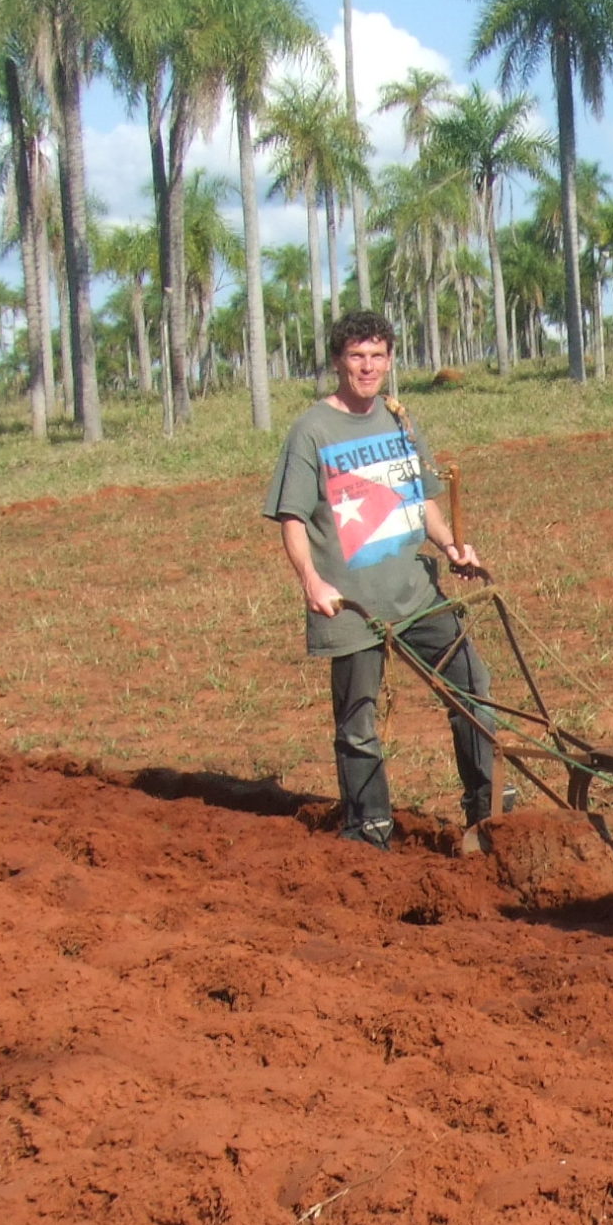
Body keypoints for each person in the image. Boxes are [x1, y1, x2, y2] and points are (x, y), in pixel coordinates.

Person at [263, 308, 500, 851]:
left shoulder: (399, 419)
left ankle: (486, 812)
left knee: (473, 691)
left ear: (390, 360)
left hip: (416, 592)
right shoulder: (312, 430)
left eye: (376, 356)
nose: (367, 367)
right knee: (358, 723)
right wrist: (311, 583)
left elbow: (423, 505)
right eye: (356, 357)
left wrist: (451, 545)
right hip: (350, 605)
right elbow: (292, 519)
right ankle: (368, 830)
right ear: (337, 362)